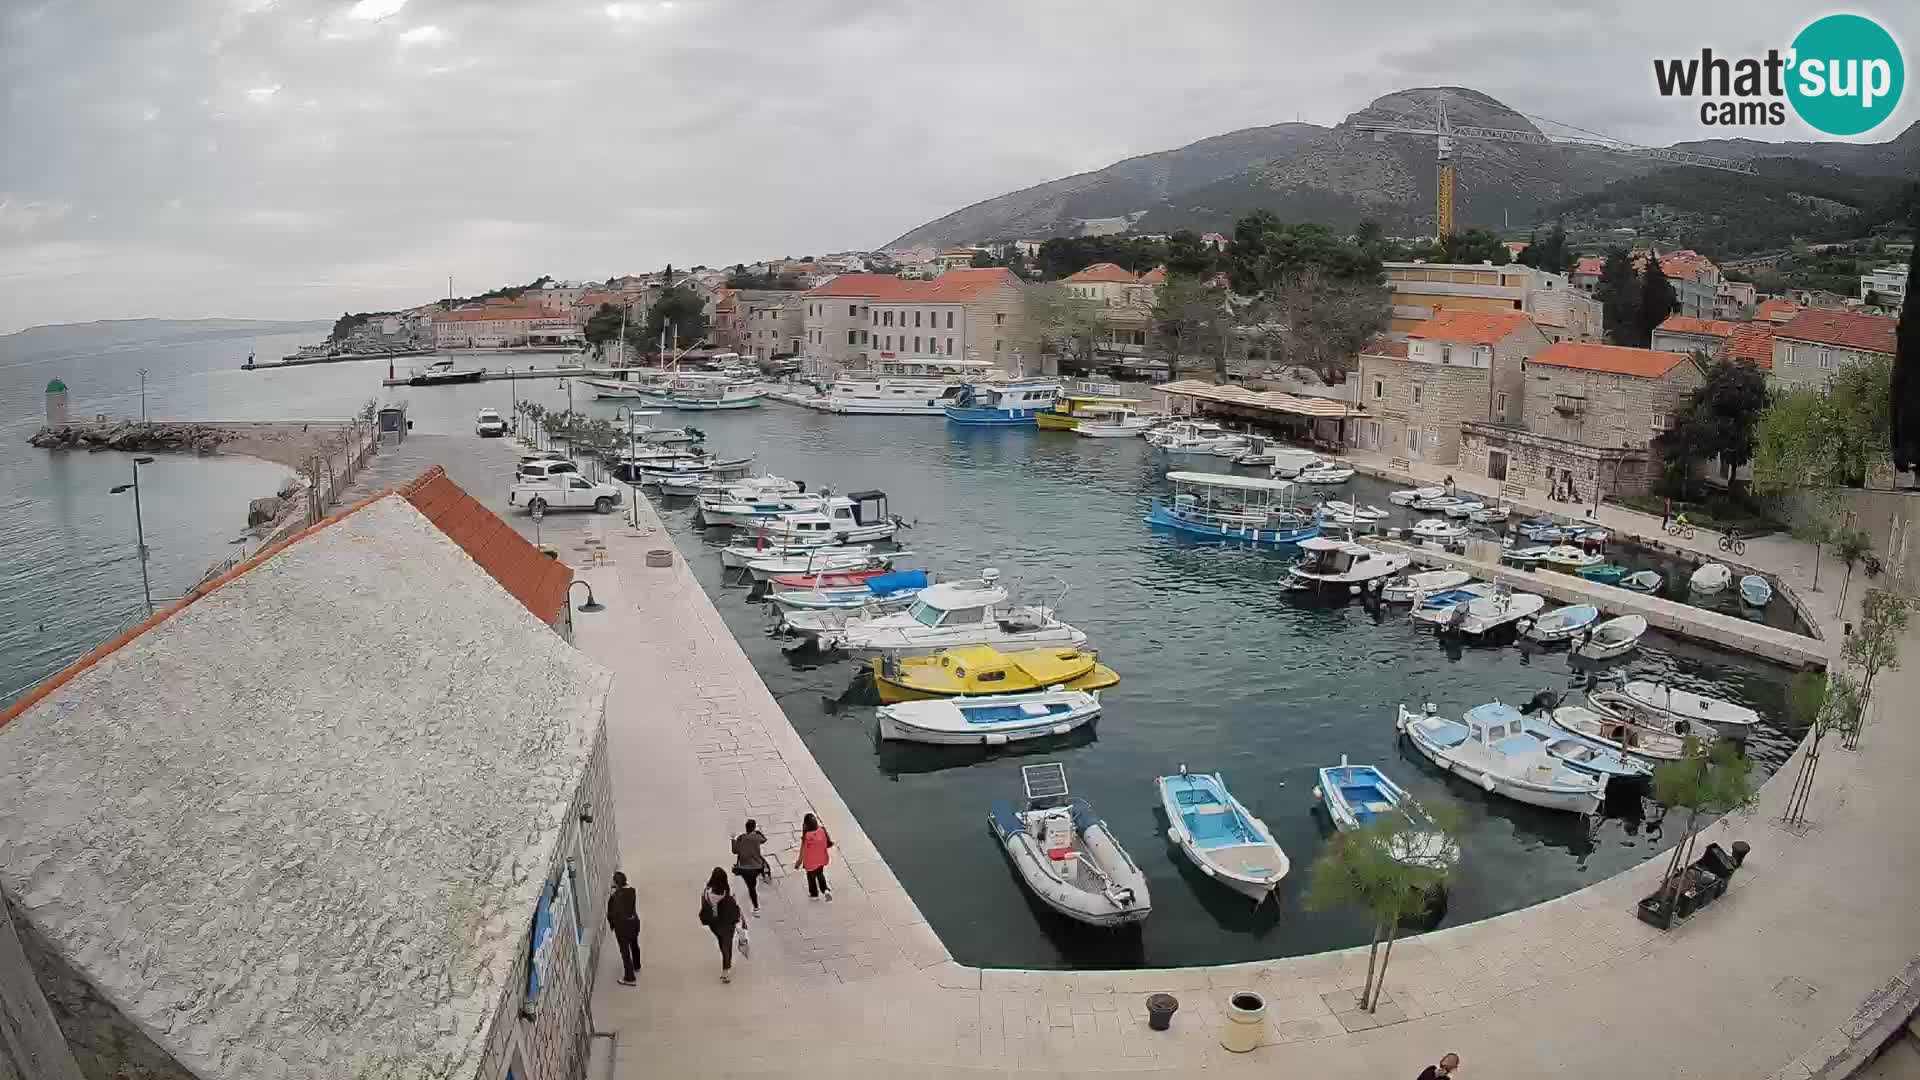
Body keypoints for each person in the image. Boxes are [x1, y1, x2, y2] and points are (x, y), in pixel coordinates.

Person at [698, 867, 743, 983]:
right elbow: (732, 907)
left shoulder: (707, 892)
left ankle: (725, 961)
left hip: (714, 924)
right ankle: (726, 971)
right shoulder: (725, 893)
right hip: (727, 922)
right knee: (727, 945)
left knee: (722, 942)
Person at [607, 871, 641, 985]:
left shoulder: (616, 896)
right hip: (634, 923)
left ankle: (629, 977)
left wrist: (612, 896)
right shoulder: (632, 891)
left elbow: (612, 912)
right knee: (634, 944)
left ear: (616, 883)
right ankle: (637, 965)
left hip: (623, 927)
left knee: (625, 952)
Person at [731, 819, 770, 916]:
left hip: (745, 869)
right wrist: (757, 832)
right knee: (764, 863)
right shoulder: (756, 837)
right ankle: (765, 875)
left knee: (751, 887)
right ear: (754, 828)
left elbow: (735, 851)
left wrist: (733, 839)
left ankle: (756, 907)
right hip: (757, 866)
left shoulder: (741, 838)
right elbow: (764, 839)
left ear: (746, 828)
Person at [796, 812, 834, 901]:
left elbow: (803, 851)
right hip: (822, 858)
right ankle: (825, 890)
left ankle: (814, 894)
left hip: (810, 861)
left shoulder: (807, 836)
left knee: (811, 877)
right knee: (820, 873)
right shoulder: (822, 830)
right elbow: (828, 842)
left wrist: (798, 862)